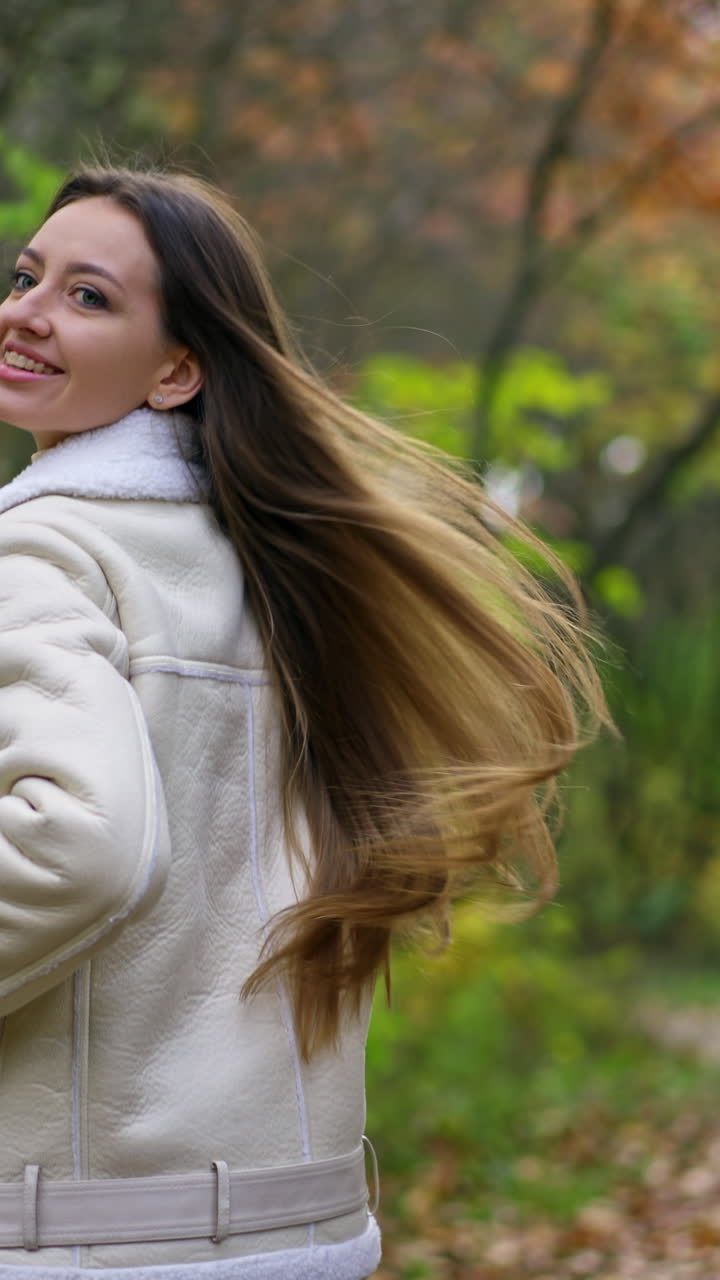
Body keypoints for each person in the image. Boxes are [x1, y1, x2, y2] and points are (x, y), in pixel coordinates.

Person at [0, 166, 609, 1279]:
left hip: (92, 1241)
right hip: (300, 1226)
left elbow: (76, 846)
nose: (26, 311)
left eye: (89, 297)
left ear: (178, 367)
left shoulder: (46, 550)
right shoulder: (280, 577)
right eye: (27, 274)